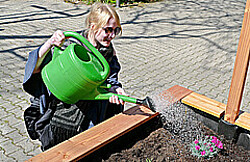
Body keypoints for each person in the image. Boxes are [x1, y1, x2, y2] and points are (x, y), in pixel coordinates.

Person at [23, 2, 127, 151]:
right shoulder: (72, 45)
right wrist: (51, 42)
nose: (112, 35)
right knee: (63, 152)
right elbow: (35, 69)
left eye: (116, 30)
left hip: (93, 113)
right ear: (93, 26)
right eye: (108, 30)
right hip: (65, 113)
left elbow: (111, 79)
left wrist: (115, 89)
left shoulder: (108, 51)